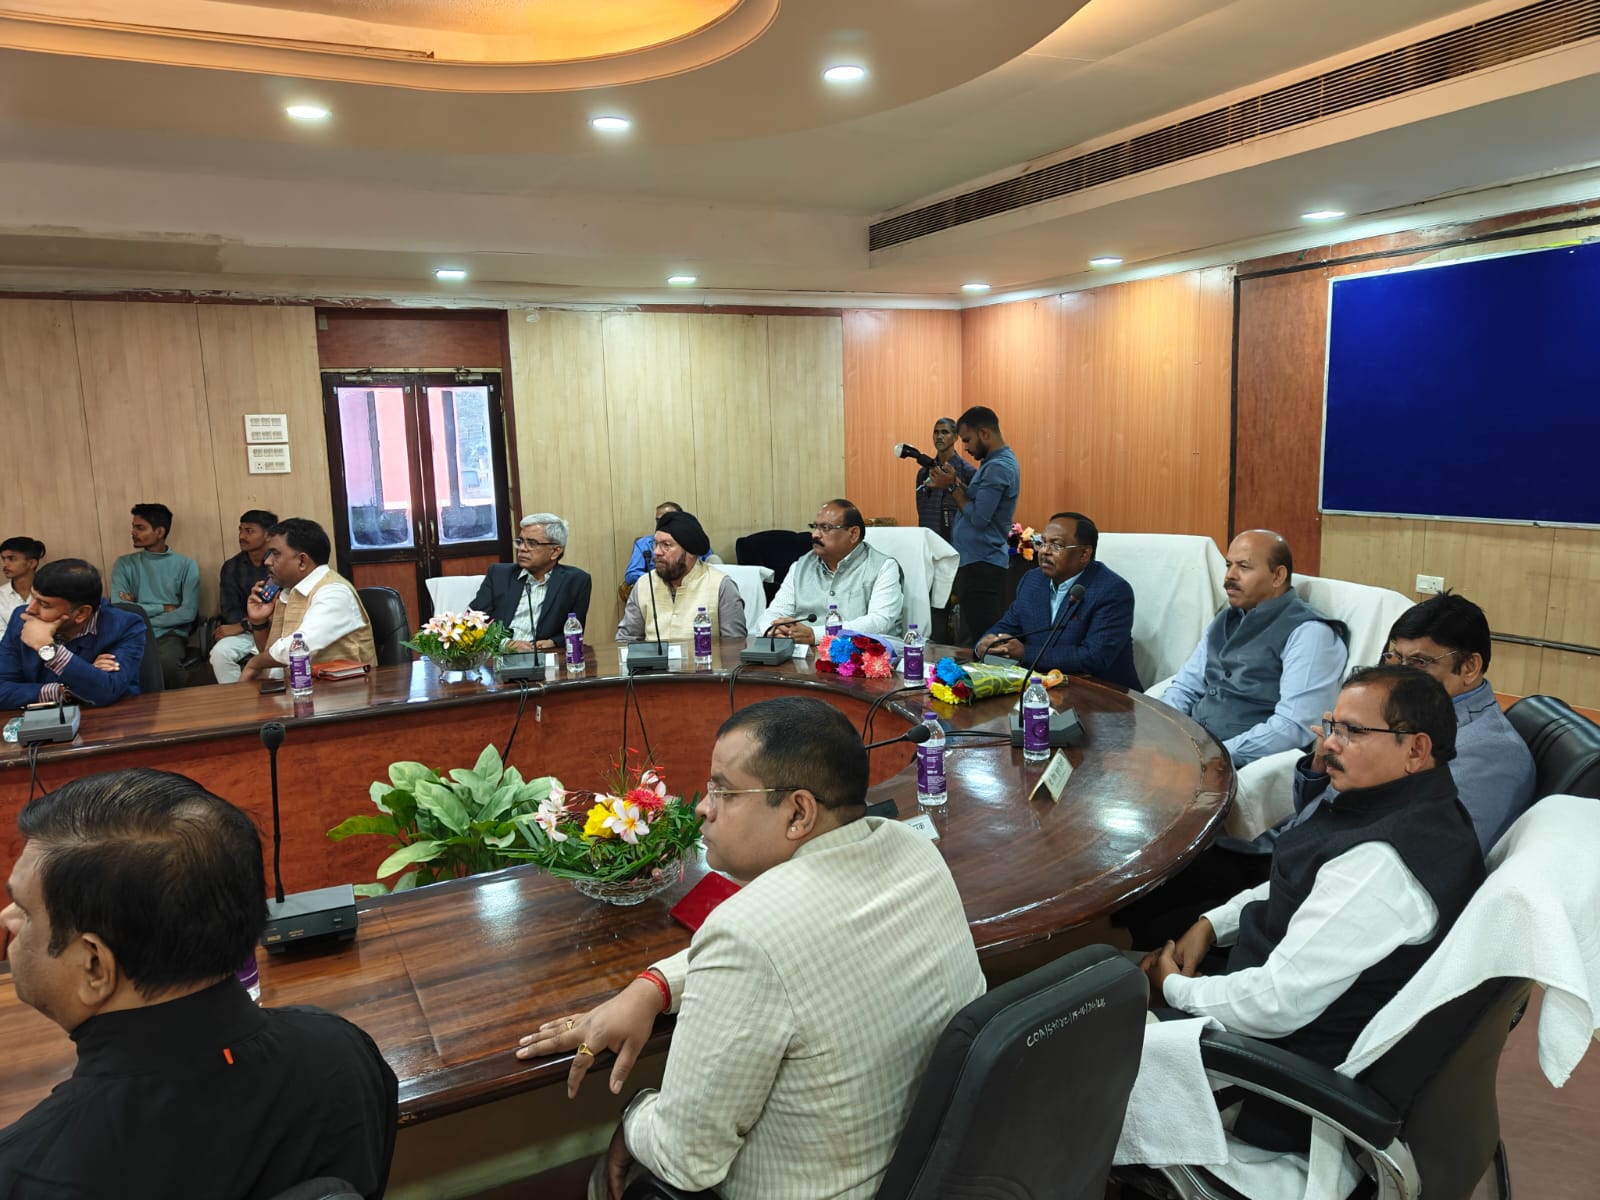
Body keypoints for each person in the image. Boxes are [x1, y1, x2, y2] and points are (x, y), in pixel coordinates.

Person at [514, 697, 985, 1200]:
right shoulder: (912, 850)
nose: (703, 807)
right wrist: (655, 985)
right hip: (936, 1175)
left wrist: (631, 1117)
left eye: (724, 791)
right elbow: (793, 946)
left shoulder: (748, 933)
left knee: (611, 1178)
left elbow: (683, 1158)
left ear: (798, 812)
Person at [0, 768, 398, 1198]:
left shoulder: (25, 1172)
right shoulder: (344, 1053)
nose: (7, 918)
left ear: (95, 966)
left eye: (25, 909)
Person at [1139, 665, 1485, 1149]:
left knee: (1082, 1028)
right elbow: (1302, 883)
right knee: (1103, 986)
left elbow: (1273, 1005)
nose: (1329, 745)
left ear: (1415, 749)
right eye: (1332, 726)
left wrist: (1173, 987)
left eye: (1353, 732)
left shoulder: (1382, 865)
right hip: (1266, 1004)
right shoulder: (1405, 804)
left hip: (1271, 1075)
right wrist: (1212, 925)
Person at [1161, 530, 1347, 767]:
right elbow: (1186, 687)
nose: (1230, 575)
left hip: (1241, 765)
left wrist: (1215, 756)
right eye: (1228, 565)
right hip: (1189, 749)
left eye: (1243, 567)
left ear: (1278, 576)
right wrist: (1164, 732)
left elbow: (1293, 726)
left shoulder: (1310, 632)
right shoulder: (1225, 619)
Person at [974, 511, 1140, 689]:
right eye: (1042, 542)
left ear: (1084, 554)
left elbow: (1093, 657)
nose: (1044, 551)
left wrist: (1025, 653)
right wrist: (986, 644)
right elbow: (1007, 626)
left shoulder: (1112, 591)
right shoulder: (1032, 581)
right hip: (1042, 687)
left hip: (1103, 695)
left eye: (1056, 545)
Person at [238, 518, 376, 683]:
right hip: (300, 690)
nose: (267, 561)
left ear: (302, 561)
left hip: (344, 692)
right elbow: (273, 661)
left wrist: (255, 663)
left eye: (275, 554)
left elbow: (299, 646)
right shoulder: (288, 592)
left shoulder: (334, 592)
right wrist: (259, 623)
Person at [925, 405, 1019, 647]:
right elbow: (977, 500)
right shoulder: (992, 463)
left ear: (985, 433)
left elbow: (979, 518)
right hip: (976, 563)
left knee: (986, 642)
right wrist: (954, 482)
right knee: (978, 638)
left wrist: (951, 487)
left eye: (967, 440)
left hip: (983, 565)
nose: (965, 447)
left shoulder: (999, 466)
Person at [0, 559, 147, 709]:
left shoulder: (124, 626)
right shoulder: (22, 619)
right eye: (33, 597)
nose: (30, 609)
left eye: (44, 604)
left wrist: (48, 648)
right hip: (39, 719)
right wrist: (67, 690)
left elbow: (108, 690)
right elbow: (2, 690)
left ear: (81, 613)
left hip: (109, 718)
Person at [762, 499, 903, 644]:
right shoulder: (800, 567)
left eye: (826, 528)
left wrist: (815, 635)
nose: (815, 534)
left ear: (853, 533)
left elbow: (879, 622)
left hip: (861, 654)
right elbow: (774, 613)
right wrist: (773, 630)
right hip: (803, 653)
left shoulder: (883, 567)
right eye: (815, 527)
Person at [616, 510, 745, 644]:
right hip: (653, 659)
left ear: (690, 551)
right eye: (656, 544)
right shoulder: (644, 584)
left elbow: (734, 647)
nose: (656, 552)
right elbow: (625, 640)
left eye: (666, 545)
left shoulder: (721, 586)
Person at [469, 513, 593, 651]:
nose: (522, 548)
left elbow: (575, 629)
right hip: (499, 655)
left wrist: (553, 642)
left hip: (543, 655)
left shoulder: (577, 581)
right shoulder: (499, 574)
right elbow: (471, 623)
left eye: (532, 543)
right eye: (520, 541)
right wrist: (505, 644)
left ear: (555, 551)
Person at [111, 502, 200, 691]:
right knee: (118, 667)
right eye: (133, 527)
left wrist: (140, 611)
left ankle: (176, 709)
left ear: (159, 532)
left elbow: (187, 613)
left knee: (166, 666)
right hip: (134, 634)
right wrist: (162, 608)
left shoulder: (186, 565)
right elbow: (119, 607)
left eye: (140, 528)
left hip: (169, 634)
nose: (133, 532)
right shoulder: (124, 564)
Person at [209, 509, 277, 685]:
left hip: (277, 631)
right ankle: (238, 698)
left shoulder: (280, 563)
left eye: (249, 531)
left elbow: (282, 609)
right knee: (219, 654)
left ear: (268, 535)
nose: (242, 536)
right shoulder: (232, 567)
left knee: (277, 664)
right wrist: (246, 626)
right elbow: (229, 610)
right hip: (246, 633)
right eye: (240, 530)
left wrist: (244, 624)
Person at [623, 501, 716, 587]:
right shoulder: (644, 544)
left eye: (668, 520)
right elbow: (631, 575)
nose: (662, 524)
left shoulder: (694, 541)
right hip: (657, 590)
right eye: (658, 520)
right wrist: (663, 577)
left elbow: (712, 567)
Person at [914, 418, 975, 541]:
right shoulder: (923, 473)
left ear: (955, 437)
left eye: (945, 432)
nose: (939, 436)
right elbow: (921, 510)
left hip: (956, 542)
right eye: (936, 432)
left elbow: (974, 511)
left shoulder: (967, 472)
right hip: (928, 540)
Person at [0, 536, 44, 629]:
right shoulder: (1, 595)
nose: (5, 565)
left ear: (31, 563)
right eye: (3, 559)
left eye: (11, 558)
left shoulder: (50, 591)